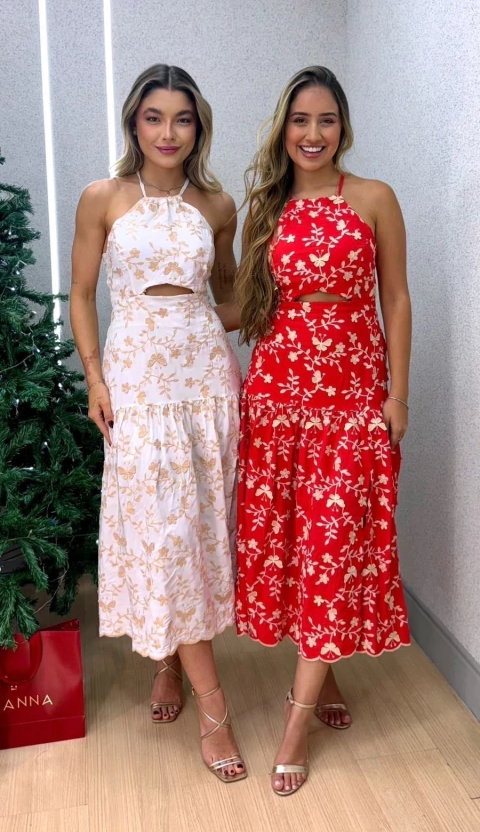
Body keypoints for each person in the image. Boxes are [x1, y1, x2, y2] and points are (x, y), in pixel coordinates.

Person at [234, 65, 411, 795]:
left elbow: (395, 298)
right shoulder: (266, 208)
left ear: (343, 127)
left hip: (352, 400)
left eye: (326, 120)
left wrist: (399, 394)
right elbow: (247, 305)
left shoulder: (373, 197)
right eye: (300, 120)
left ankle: (294, 723)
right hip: (279, 398)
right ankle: (324, 669)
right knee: (298, 546)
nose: (312, 134)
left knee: (333, 547)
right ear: (284, 128)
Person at [70, 64, 246, 783]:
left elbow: (228, 297)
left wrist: (294, 293)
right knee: (164, 529)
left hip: (206, 385)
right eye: (154, 117)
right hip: (138, 386)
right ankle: (215, 710)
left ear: (198, 128)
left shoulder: (218, 204)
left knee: (196, 530)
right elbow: (82, 292)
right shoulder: (103, 198)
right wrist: (94, 376)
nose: (168, 132)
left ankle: (169, 662)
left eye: (182, 118)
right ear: (133, 123)